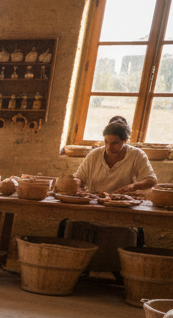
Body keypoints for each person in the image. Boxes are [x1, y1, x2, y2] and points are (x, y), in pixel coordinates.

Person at [65, 116, 158, 274]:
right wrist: (77, 187)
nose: (109, 147)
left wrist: (132, 186)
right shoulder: (95, 155)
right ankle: (78, 270)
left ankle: (118, 272)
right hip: (94, 204)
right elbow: (78, 177)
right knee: (71, 224)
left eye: (114, 143)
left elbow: (151, 180)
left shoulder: (136, 155)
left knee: (126, 232)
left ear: (125, 141)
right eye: (106, 142)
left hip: (120, 208)